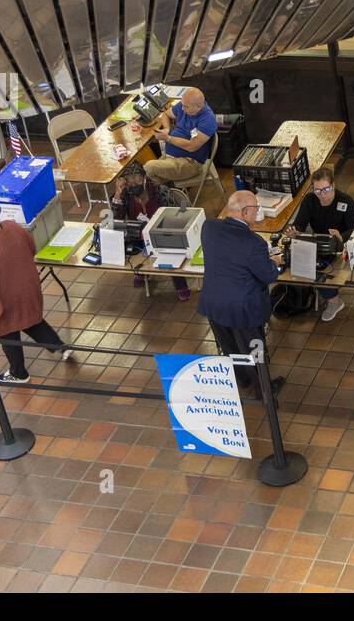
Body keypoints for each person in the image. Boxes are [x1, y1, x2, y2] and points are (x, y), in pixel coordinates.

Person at [0, 202, 73, 383]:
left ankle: (18, 373)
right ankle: (60, 347)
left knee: (9, 336)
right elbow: (31, 247)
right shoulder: (13, 227)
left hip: (5, 302)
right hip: (28, 288)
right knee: (32, 321)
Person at [198, 190, 285, 397]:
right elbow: (267, 276)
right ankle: (263, 389)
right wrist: (275, 263)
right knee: (254, 351)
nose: (257, 212)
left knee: (229, 347)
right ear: (245, 212)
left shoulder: (209, 227)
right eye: (256, 208)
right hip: (242, 308)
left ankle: (242, 379)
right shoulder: (254, 243)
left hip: (213, 302)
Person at [111, 162, 192, 302]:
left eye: (136, 177)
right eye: (128, 179)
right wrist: (118, 193)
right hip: (138, 235)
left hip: (162, 233)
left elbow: (173, 216)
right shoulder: (125, 194)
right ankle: (142, 272)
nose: (132, 182)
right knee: (128, 247)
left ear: (144, 177)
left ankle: (180, 283)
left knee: (170, 249)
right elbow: (116, 218)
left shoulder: (159, 190)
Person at [285, 167, 354, 322]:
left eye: (326, 190)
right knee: (294, 263)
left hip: (340, 247)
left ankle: (334, 302)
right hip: (318, 244)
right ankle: (298, 296)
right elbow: (300, 225)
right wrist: (294, 232)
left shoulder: (346, 201)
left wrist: (341, 236)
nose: (322, 195)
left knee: (318, 269)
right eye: (317, 191)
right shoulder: (310, 201)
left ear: (333, 185)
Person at [134, 87, 216, 186]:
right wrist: (167, 129)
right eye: (182, 105)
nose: (182, 109)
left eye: (186, 107)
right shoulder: (185, 105)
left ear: (199, 106)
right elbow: (165, 115)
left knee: (148, 168)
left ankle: (163, 192)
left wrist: (167, 138)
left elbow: (191, 146)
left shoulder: (207, 120)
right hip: (171, 156)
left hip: (189, 162)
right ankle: (163, 191)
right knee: (141, 177)